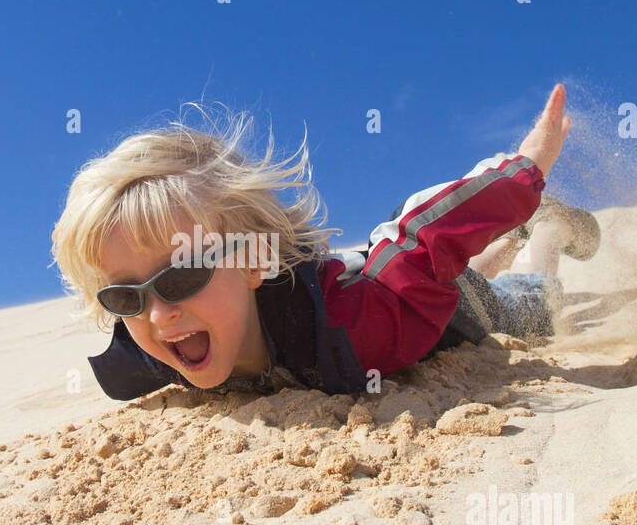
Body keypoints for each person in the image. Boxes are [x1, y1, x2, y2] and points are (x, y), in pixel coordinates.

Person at [50, 84, 599, 400]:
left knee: (531, 304)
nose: (160, 314)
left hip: (440, 306)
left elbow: (423, 242)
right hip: (395, 277)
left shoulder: (356, 327)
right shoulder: (149, 356)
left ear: (250, 257)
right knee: (470, 266)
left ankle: (547, 229)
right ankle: (504, 248)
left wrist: (527, 167)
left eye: (182, 275)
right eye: (126, 296)